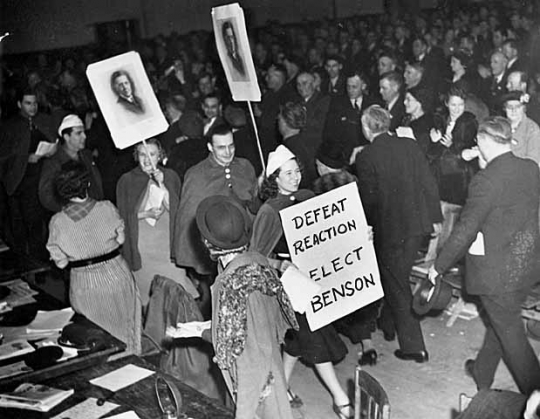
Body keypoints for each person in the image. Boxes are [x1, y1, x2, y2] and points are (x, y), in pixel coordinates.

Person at [429, 116, 540, 395]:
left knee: (511, 333)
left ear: (486, 142)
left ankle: (537, 398)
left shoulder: (485, 180)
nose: (477, 148)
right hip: (528, 266)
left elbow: (465, 230)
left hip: (497, 273)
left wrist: (438, 267)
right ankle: (482, 372)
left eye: (478, 143)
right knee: (503, 321)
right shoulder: (530, 168)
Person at [167, 194, 297, 419]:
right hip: (270, 364)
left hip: (252, 377)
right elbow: (244, 323)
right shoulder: (257, 263)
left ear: (208, 243)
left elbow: (234, 347)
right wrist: (202, 328)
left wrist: (202, 332)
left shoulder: (229, 283)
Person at [250, 145, 353, 419]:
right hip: (288, 286)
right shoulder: (269, 211)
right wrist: (280, 264)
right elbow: (255, 256)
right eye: (288, 173)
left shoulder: (308, 197)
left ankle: (280, 384)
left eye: (297, 171)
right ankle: (340, 397)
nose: (295, 177)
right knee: (314, 336)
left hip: (312, 278)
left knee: (296, 339)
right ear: (274, 178)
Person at [355, 105, 442, 363]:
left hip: (389, 231)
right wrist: (435, 217)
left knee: (397, 284)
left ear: (367, 128)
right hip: (416, 227)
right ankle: (389, 325)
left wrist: (366, 225)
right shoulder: (410, 145)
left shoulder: (366, 156)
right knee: (397, 276)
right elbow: (429, 182)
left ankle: (415, 347)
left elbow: (368, 199)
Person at [46, 161, 141, 354]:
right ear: (87, 185)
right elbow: (121, 239)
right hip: (117, 274)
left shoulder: (57, 222)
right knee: (127, 331)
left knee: (95, 340)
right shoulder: (106, 207)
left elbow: (62, 263)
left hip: (84, 283)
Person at [116, 139, 198, 306]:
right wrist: (145, 213)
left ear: (160, 156)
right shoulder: (126, 180)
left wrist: (162, 184)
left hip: (167, 245)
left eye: (152, 154)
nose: (147, 159)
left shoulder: (170, 176)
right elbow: (121, 217)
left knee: (177, 294)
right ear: (136, 156)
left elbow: (178, 210)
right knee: (149, 299)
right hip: (142, 247)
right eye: (142, 154)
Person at [174, 125, 257, 290]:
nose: (228, 152)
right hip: (214, 255)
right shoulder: (196, 175)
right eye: (221, 147)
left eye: (231, 146)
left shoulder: (245, 166)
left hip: (248, 247)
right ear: (210, 147)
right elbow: (187, 217)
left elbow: (254, 205)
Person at [0, 88, 56, 259]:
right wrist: (26, 158)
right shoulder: (10, 126)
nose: (32, 107)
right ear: (19, 104)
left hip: (42, 178)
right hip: (21, 181)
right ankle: (29, 260)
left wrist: (50, 151)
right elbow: (4, 156)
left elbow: (53, 141)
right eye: (28, 103)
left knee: (41, 222)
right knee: (25, 224)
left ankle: (41, 259)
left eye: (35, 103)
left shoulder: (43, 121)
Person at [39, 114, 103, 213]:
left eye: (84, 132)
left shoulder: (86, 156)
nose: (84, 136)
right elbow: (46, 196)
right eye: (78, 133)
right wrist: (69, 210)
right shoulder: (54, 163)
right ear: (66, 137)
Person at [430, 87, 478, 206]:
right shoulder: (440, 120)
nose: (457, 109)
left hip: (459, 175)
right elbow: (431, 153)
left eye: (460, 105)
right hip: (440, 172)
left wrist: (451, 145)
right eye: (453, 105)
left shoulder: (469, 122)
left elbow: (468, 152)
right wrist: (434, 141)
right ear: (446, 104)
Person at [501, 91, 540, 166]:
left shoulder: (532, 130)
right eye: (509, 107)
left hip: (521, 172)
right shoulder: (500, 126)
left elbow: (533, 162)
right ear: (504, 109)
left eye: (517, 107)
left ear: (524, 108)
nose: (513, 110)